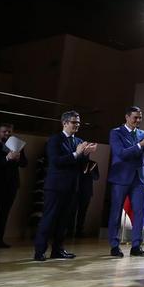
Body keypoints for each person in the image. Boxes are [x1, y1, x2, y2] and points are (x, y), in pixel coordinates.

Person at [34, 111, 97, 260]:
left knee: (64, 221)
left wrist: (86, 154)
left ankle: (58, 250)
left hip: (72, 187)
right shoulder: (55, 140)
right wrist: (77, 154)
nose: (77, 125)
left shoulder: (79, 141)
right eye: (74, 122)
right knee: (49, 219)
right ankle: (39, 251)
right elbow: (56, 161)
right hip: (55, 187)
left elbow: (81, 167)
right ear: (65, 123)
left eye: (79, 123)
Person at [107, 106, 144, 257]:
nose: (138, 120)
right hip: (120, 178)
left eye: (140, 118)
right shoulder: (116, 133)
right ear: (127, 117)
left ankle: (136, 246)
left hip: (138, 178)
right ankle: (114, 245)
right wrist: (142, 144)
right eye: (135, 117)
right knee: (116, 213)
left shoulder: (142, 133)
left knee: (139, 212)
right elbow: (121, 153)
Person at [0, 123, 27, 248]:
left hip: (11, 186)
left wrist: (19, 158)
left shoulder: (18, 146)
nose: (7, 134)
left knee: (3, 215)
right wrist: (7, 159)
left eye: (9, 131)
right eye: (4, 131)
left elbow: (25, 163)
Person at [68, 159, 98, 238]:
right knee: (72, 212)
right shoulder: (75, 161)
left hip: (86, 192)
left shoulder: (93, 163)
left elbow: (96, 177)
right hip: (75, 191)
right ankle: (69, 231)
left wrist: (91, 171)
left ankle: (79, 231)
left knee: (82, 212)